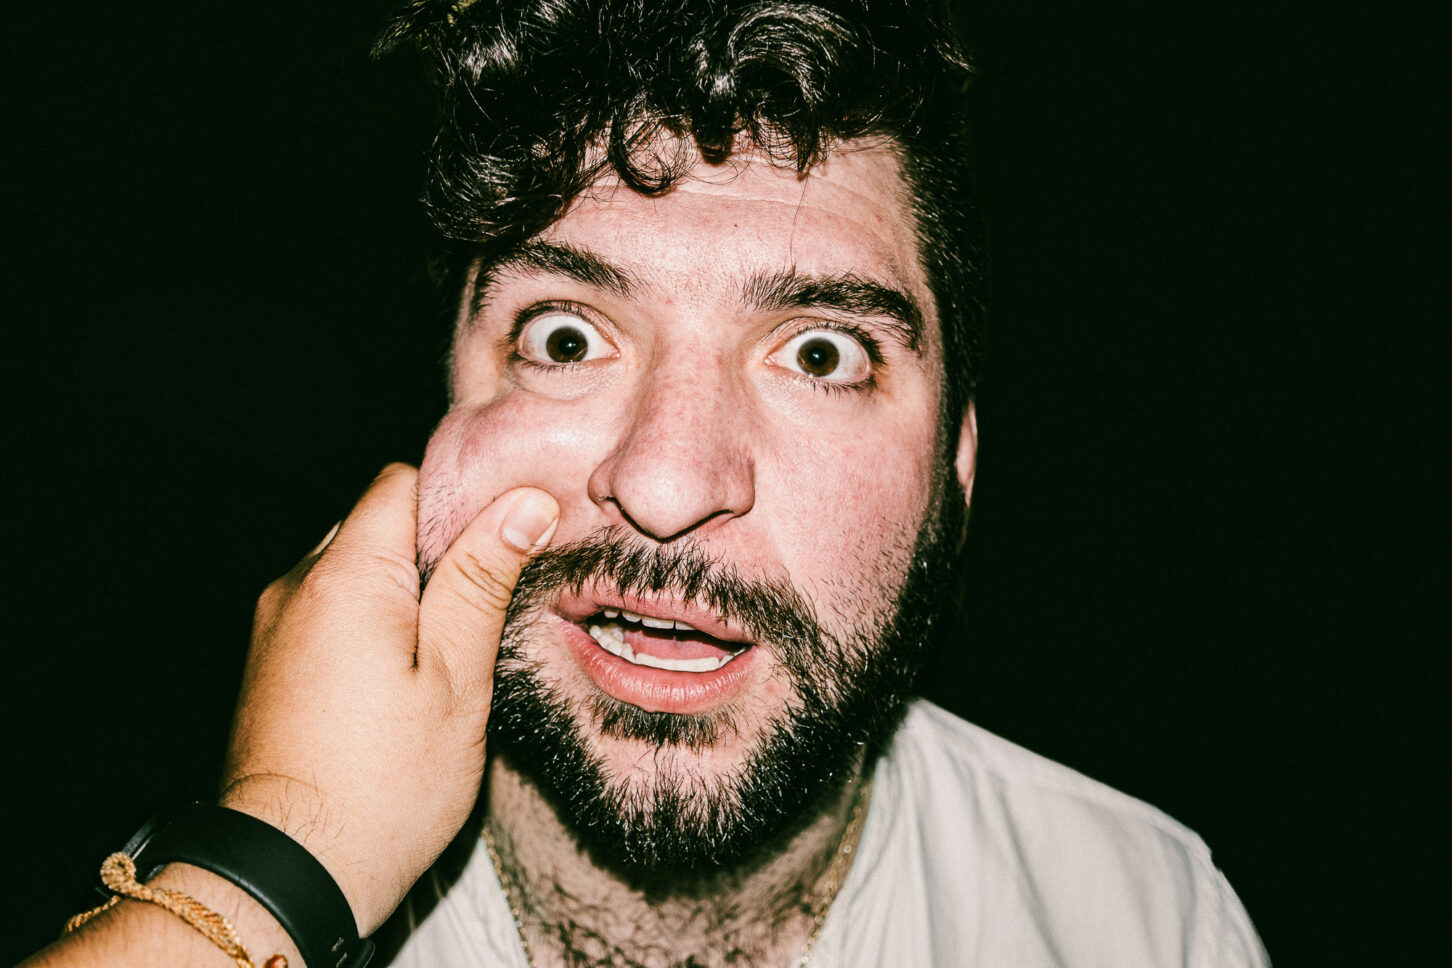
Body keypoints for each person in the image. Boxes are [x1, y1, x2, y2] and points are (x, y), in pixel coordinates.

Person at [24, 1, 1269, 967]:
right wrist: (281, 861)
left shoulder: (1142, 917)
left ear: (957, 467)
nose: (669, 486)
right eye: (566, 338)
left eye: (821, 354)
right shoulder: (219, 911)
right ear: (443, 417)